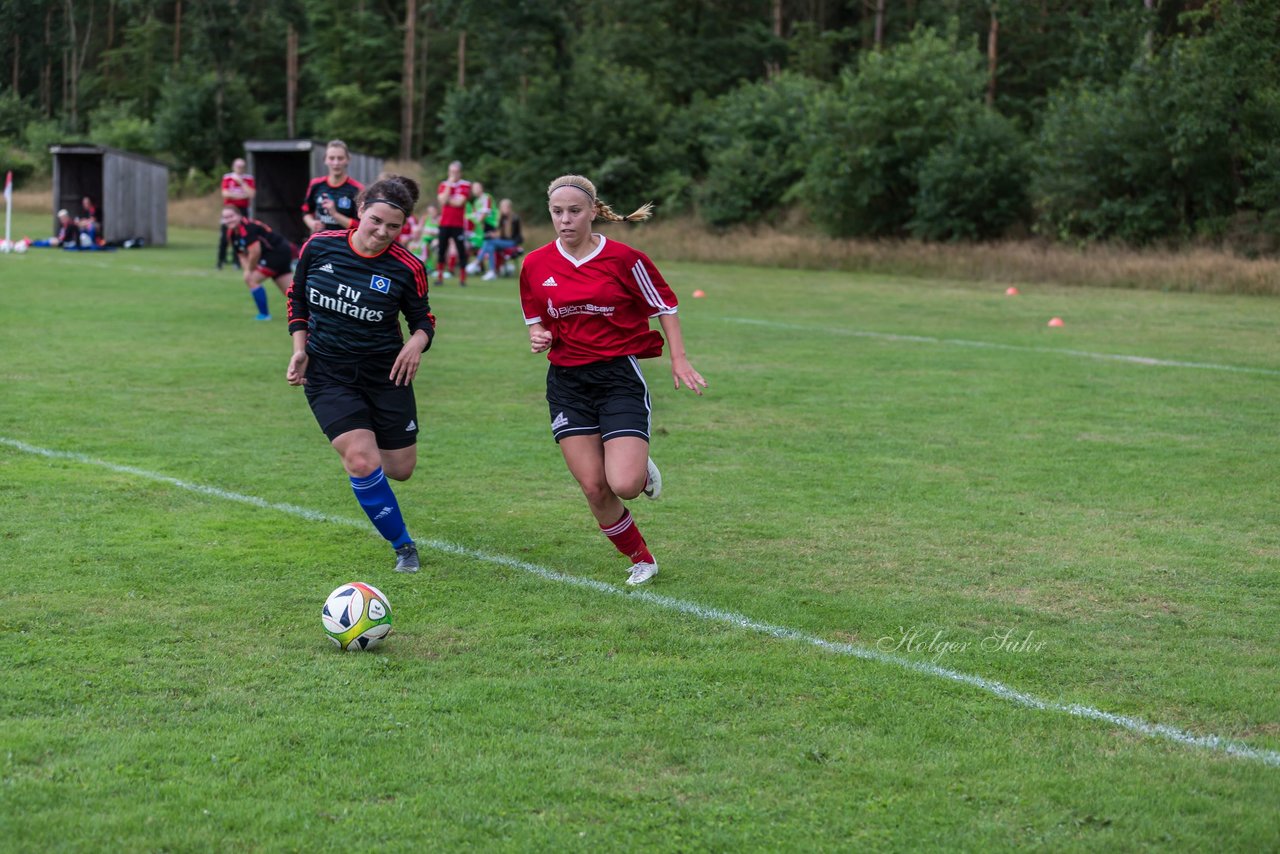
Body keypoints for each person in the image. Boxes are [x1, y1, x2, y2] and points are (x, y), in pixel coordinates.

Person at [519, 174, 706, 586]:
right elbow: (537, 322)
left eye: (574, 211)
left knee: (622, 482)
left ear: (593, 212)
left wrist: (679, 359)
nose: (565, 220)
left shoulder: (625, 259)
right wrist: (539, 337)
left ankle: (638, 470)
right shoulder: (534, 264)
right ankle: (641, 558)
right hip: (567, 383)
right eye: (557, 212)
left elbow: (665, 305)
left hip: (618, 376)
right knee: (593, 487)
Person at [286, 175, 435, 573]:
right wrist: (299, 349)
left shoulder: (407, 267)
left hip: (386, 375)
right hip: (327, 373)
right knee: (361, 459)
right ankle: (404, 547)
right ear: (359, 211)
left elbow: (423, 320)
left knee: (400, 469)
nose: (383, 232)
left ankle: (366, 472)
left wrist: (415, 343)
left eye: (393, 226)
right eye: (376, 221)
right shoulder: (319, 247)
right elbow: (297, 298)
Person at [221, 205, 295, 321]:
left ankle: (264, 315)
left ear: (239, 215)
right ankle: (313, 313)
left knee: (251, 279)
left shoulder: (248, 228)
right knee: (292, 292)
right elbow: (241, 254)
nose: (229, 220)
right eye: (225, 217)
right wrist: (247, 270)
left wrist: (249, 271)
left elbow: (255, 252)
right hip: (274, 255)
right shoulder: (231, 233)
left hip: (277, 253)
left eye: (231, 216)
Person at [302, 140, 364, 233]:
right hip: (320, 241)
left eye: (340, 158)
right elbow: (306, 212)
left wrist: (335, 214)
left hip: (344, 244)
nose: (336, 163)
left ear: (348, 160)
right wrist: (312, 223)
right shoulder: (315, 184)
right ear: (325, 160)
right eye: (331, 158)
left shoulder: (358, 189)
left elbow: (361, 225)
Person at [435, 160, 472, 286]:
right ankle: (439, 277)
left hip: (458, 225)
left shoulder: (465, 185)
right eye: (451, 172)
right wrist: (449, 185)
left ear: (460, 173)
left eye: (455, 172)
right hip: (444, 223)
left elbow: (459, 203)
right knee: (441, 250)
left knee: (461, 252)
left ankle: (462, 279)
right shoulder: (444, 184)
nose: (453, 174)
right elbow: (442, 201)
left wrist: (447, 200)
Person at [219, 158, 256, 269]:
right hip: (229, 209)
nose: (239, 169)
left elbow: (251, 194)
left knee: (240, 236)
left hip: (242, 210)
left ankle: (237, 261)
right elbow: (225, 194)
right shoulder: (228, 177)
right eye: (237, 166)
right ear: (233, 166)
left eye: (242, 166)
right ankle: (221, 261)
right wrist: (241, 195)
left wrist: (241, 183)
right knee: (225, 236)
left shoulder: (248, 179)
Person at [476, 198, 523, 280]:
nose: (503, 209)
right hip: (503, 241)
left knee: (489, 242)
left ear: (509, 208)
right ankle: (492, 271)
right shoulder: (502, 218)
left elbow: (508, 235)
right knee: (490, 246)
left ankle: (477, 263)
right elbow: (499, 232)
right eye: (502, 207)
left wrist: (496, 235)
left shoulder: (514, 218)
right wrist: (493, 234)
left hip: (512, 242)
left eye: (505, 207)